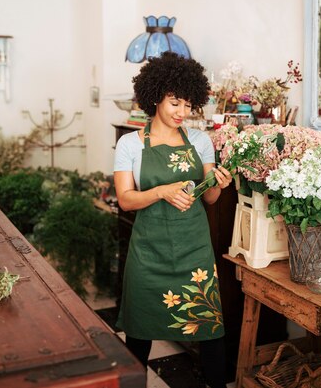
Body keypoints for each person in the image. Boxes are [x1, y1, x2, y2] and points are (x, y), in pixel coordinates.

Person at [113, 51, 232, 388]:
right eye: (174, 103)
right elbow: (125, 199)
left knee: (208, 328)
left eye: (188, 105)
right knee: (140, 329)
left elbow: (208, 197)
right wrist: (162, 191)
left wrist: (218, 184)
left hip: (194, 248)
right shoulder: (130, 144)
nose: (183, 112)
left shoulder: (200, 140)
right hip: (148, 252)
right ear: (155, 99)